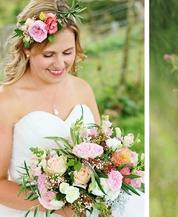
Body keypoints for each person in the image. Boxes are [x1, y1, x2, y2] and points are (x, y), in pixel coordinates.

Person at [0, 0, 144, 216]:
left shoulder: (83, 89)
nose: (59, 64)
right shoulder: (7, 100)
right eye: (49, 55)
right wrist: (53, 205)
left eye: (67, 52)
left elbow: (102, 153)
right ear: (28, 49)